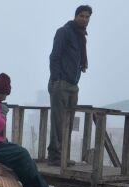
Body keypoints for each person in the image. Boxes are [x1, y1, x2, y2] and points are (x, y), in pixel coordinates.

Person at [0, 73, 61, 187]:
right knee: (22, 154)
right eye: (6, 94)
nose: (5, 97)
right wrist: (3, 114)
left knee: (19, 157)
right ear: (1, 92)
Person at [47, 5, 92, 166]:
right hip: (61, 83)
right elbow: (54, 56)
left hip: (73, 84)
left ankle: (63, 156)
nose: (84, 19)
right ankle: (55, 156)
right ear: (75, 16)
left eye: (87, 17)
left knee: (68, 122)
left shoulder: (80, 36)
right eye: (82, 16)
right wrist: (56, 79)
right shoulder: (64, 32)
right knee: (59, 121)